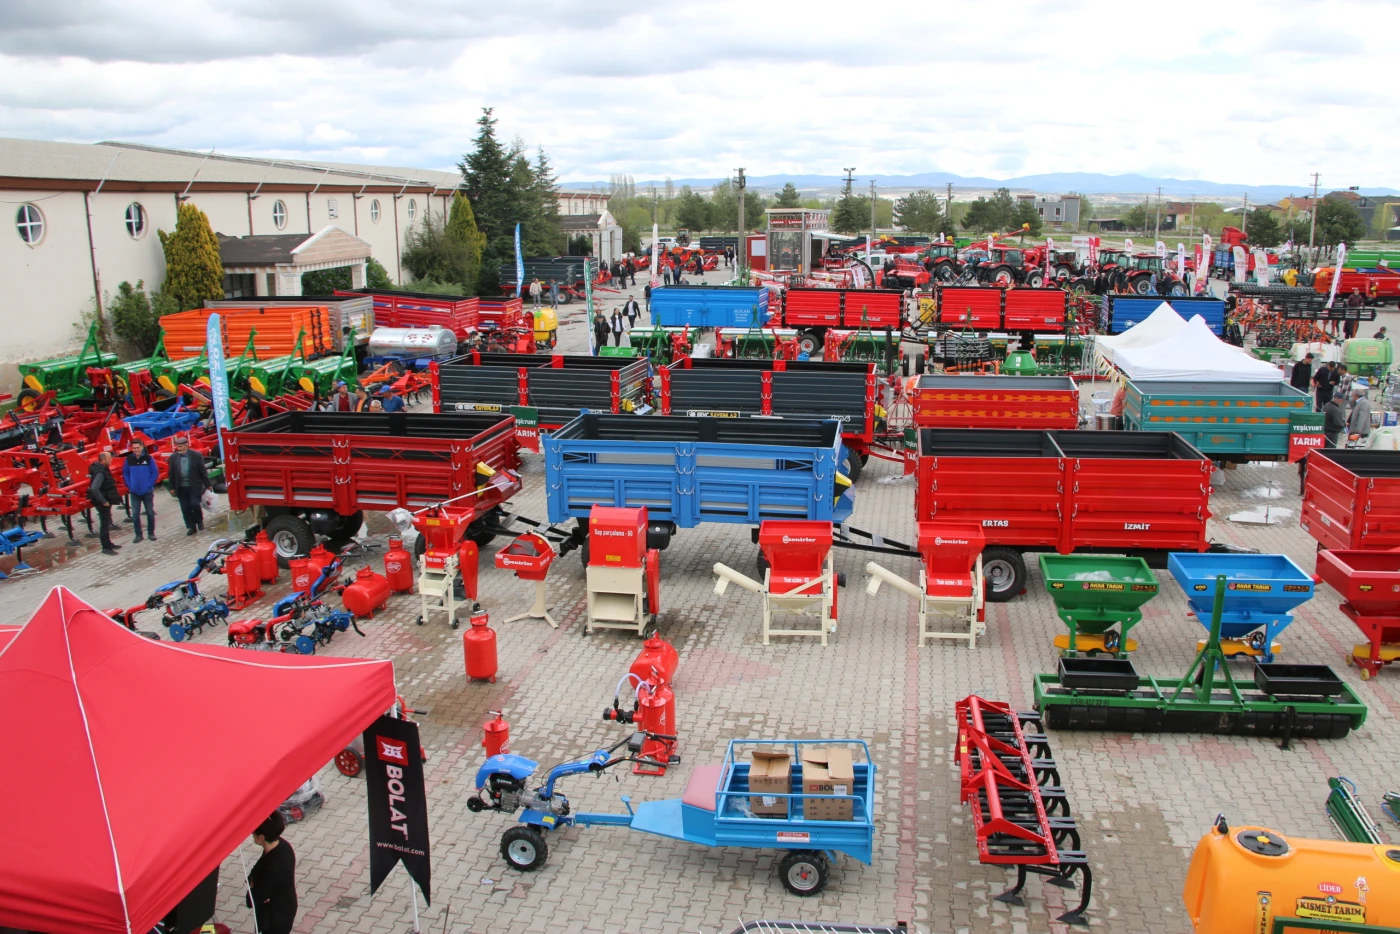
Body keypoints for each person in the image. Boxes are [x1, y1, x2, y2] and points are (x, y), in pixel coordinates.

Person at [246, 811, 298, 934]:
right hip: (286, 906)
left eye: (254, 833)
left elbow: (252, 900)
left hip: (275, 919)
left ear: (261, 837)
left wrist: (252, 886)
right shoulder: (283, 845)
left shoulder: (273, 869)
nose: (252, 834)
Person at [167, 435, 211, 536]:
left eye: (181, 446)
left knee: (194, 504)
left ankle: (199, 522)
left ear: (186, 445)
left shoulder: (196, 455)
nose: (179, 448)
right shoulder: (173, 458)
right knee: (185, 508)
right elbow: (171, 474)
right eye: (177, 446)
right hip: (181, 487)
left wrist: (208, 484)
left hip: (194, 486)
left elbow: (202, 471)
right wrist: (171, 487)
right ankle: (191, 526)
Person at [122, 440, 159, 543]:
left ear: (142, 447)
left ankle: (151, 533)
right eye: (134, 448)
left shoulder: (149, 458)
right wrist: (130, 485)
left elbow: (154, 473)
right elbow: (125, 473)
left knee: (150, 512)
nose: (136, 450)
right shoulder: (129, 459)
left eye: (138, 447)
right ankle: (138, 535)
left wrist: (149, 485)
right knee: (135, 514)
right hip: (134, 492)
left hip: (147, 492)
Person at [87, 451, 121, 555]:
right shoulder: (100, 472)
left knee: (106, 522)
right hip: (103, 502)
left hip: (106, 499)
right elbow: (94, 488)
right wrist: (103, 501)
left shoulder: (103, 469)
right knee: (105, 524)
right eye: (109, 458)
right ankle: (106, 548)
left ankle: (108, 543)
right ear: (103, 460)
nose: (111, 460)